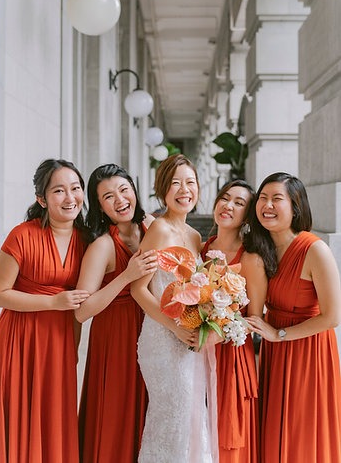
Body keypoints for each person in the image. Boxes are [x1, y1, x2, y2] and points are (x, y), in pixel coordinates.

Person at [0, 158, 90, 463]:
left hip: (59, 344)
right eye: (59, 191)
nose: (70, 197)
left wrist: (72, 348)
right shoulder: (22, 235)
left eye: (75, 188)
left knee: (53, 422)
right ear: (42, 199)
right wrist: (52, 302)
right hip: (17, 342)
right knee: (17, 421)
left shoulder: (86, 240)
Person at [244, 172, 341, 463]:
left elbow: (332, 316)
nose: (267, 205)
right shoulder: (262, 249)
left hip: (309, 351)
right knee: (275, 430)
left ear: (295, 206)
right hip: (276, 354)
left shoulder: (315, 249)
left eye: (277, 198)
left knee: (303, 431)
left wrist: (278, 335)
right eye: (262, 198)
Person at [131, 153, 216, 463]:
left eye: (190, 183)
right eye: (176, 183)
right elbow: (138, 289)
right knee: (173, 414)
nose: (185, 190)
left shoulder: (194, 236)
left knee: (193, 415)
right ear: (163, 189)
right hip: (162, 339)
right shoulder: (159, 230)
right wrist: (175, 328)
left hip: (190, 340)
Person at [75, 164, 158, 463]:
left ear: (134, 190)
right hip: (116, 335)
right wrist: (126, 276)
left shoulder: (151, 225)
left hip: (153, 328)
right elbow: (82, 312)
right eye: (108, 196)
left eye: (124, 190)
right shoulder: (102, 245)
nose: (120, 200)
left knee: (151, 409)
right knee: (117, 411)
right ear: (99, 206)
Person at [202, 180, 267, 462]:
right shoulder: (200, 248)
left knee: (228, 436)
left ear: (247, 215)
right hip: (195, 350)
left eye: (238, 203)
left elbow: (255, 318)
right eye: (224, 198)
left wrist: (223, 331)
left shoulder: (251, 258)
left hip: (231, 355)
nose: (227, 206)